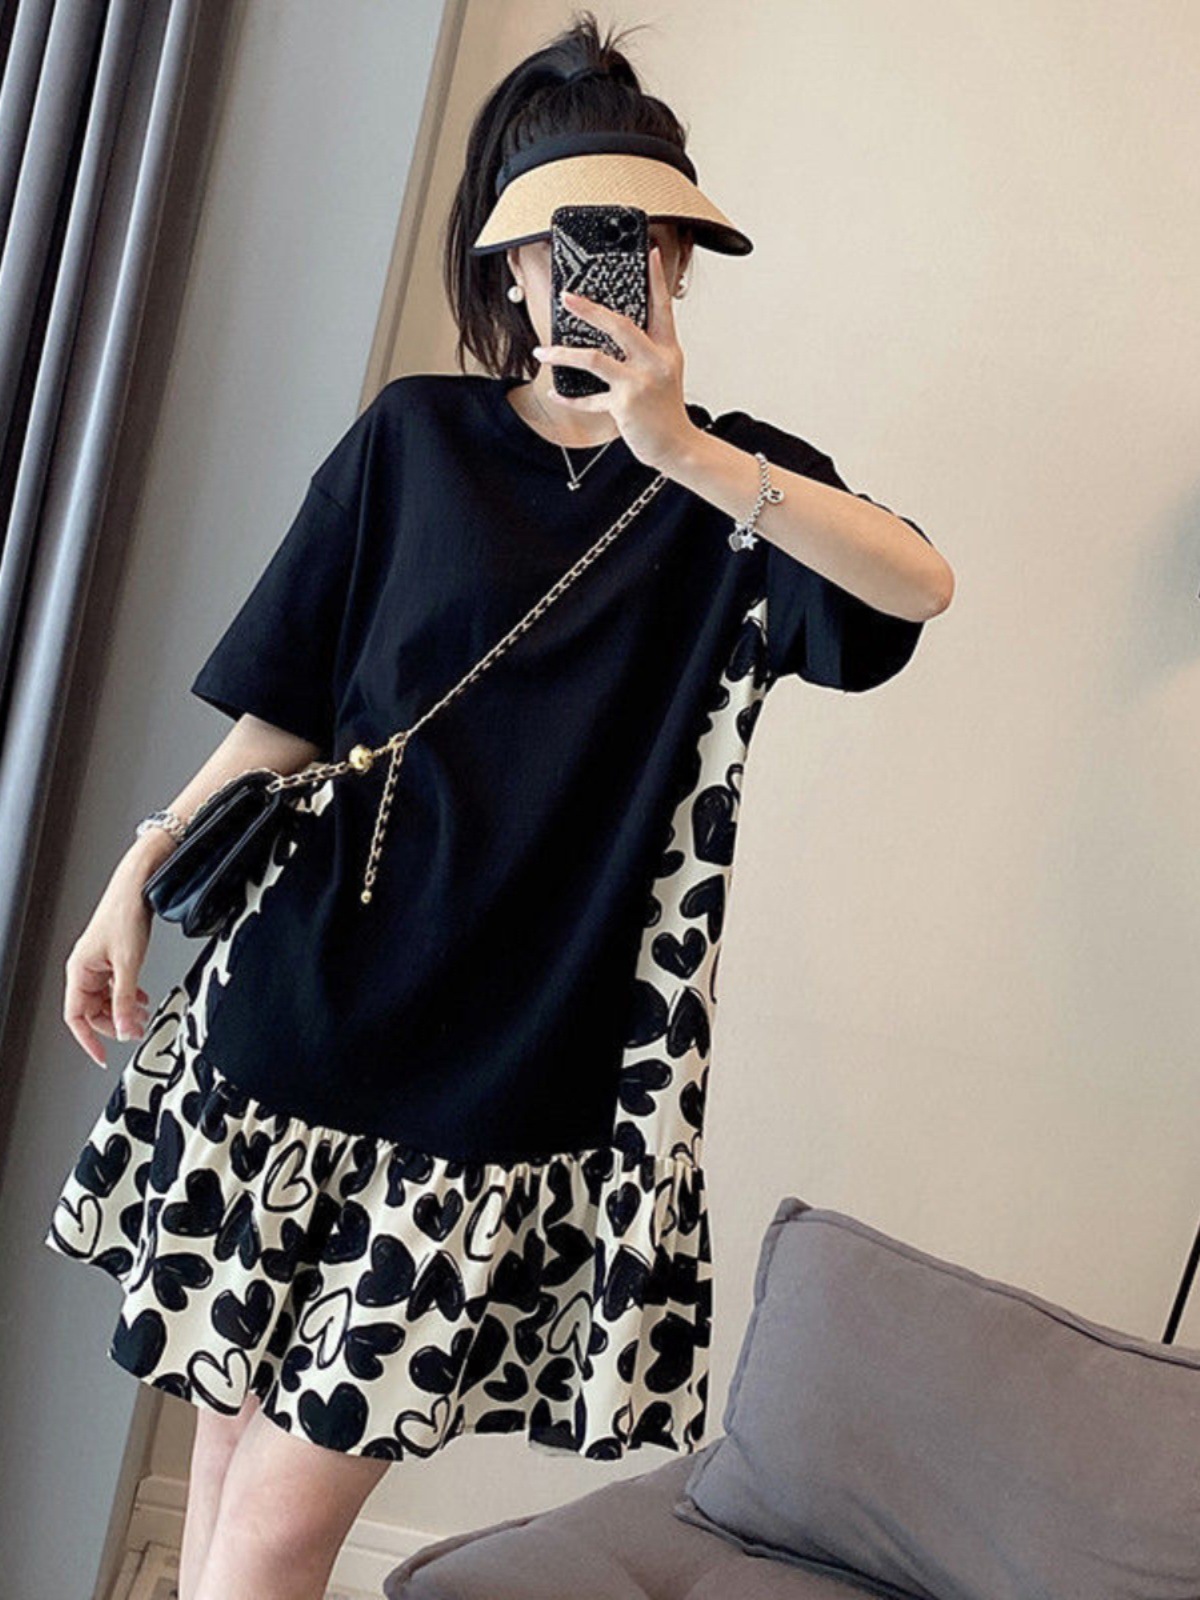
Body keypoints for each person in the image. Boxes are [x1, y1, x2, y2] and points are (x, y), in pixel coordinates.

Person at [43, 11, 954, 1600]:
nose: (606, 272)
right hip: (290, 1016)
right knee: (226, 1487)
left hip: (490, 1081)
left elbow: (917, 589)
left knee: (271, 1536)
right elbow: (286, 715)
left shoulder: (738, 492)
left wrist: (680, 448)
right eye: (567, 242)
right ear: (513, 266)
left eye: (642, 241)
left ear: (678, 263)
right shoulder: (414, 440)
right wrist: (140, 871)